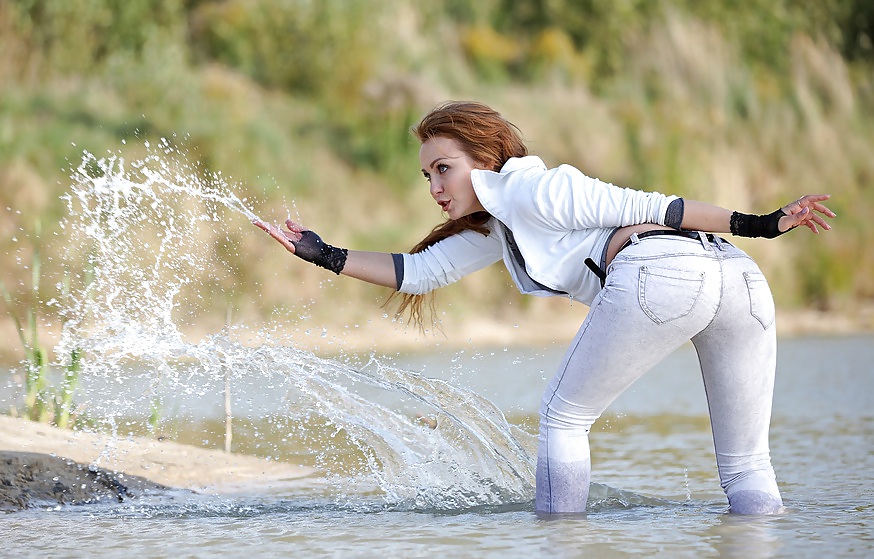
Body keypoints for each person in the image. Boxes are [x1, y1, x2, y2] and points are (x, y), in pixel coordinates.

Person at [254, 101, 835, 515]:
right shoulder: (502, 223)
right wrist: (319, 252)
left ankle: (557, 544)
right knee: (746, 467)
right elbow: (417, 274)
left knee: (562, 417)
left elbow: (661, 206)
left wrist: (762, 223)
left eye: (443, 168)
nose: (433, 186)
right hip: (739, 281)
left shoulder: (537, 189)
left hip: (675, 268)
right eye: (427, 174)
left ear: (483, 159)